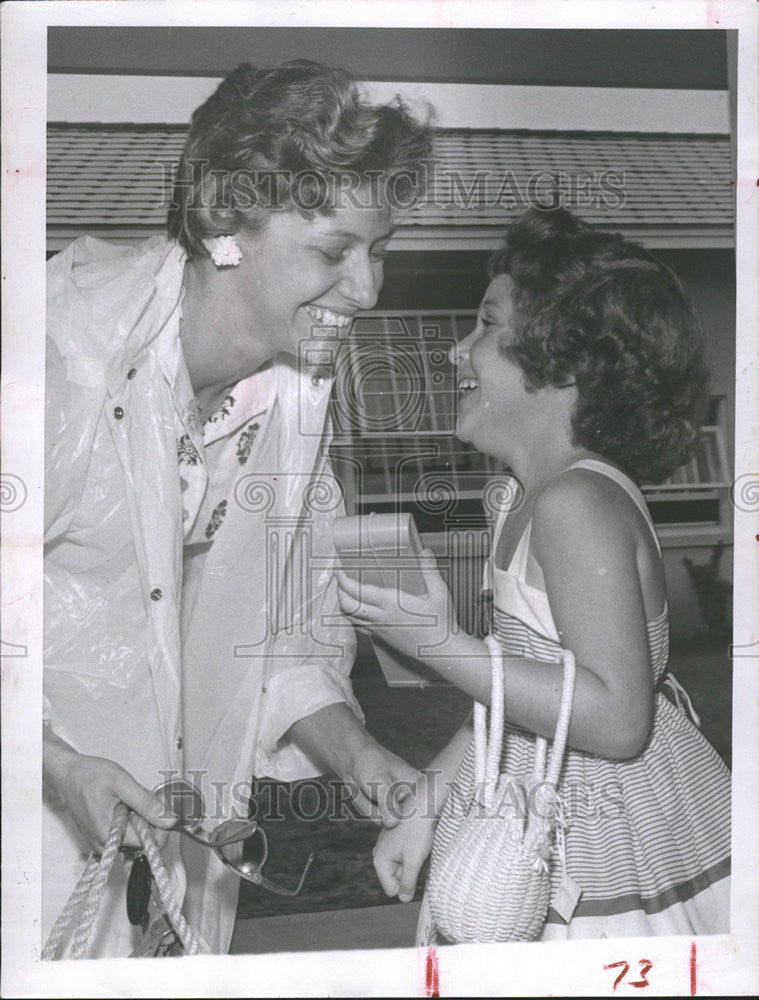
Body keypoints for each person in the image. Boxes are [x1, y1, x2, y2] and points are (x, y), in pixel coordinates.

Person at [42, 59, 432, 957]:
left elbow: (280, 637)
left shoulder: (298, 390)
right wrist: (57, 765)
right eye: (335, 251)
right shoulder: (55, 358)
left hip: (182, 841)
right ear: (226, 217)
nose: (368, 290)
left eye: (381, 251)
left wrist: (355, 755)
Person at [337, 207, 731, 940]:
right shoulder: (522, 496)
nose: (459, 351)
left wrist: (434, 643)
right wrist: (429, 798)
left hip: (614, 831)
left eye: (485, 325)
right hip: (537, 789)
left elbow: (616, 721)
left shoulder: (577, 502)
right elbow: (522, 690)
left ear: (565, 364)